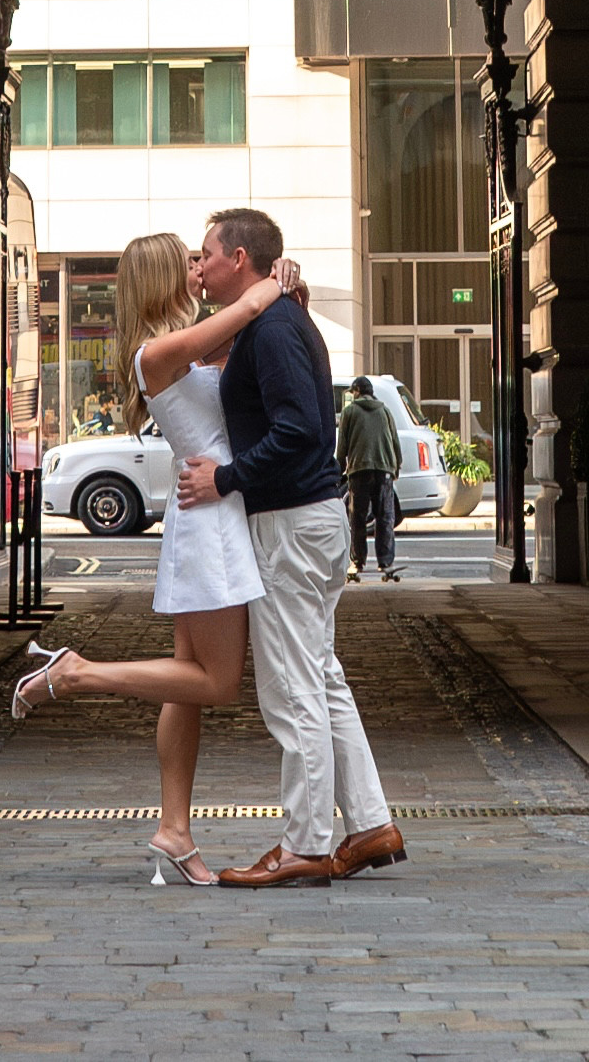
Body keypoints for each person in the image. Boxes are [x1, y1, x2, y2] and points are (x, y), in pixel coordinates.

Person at [0, 228, 279, 886]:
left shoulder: (181, 350)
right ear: (160, 277)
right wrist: (277, 277)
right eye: (186, 259)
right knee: (216, 682)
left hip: (205, 512)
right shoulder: (156, 351)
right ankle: (75, 674)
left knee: (187, 679)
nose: (196, 266)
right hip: (208, 523)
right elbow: (246, 310)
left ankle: (175, 829)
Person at [185, 205, 403, 889]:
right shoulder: (273, 317)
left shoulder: (274, 326)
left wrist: (224, 477)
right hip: (306, 518)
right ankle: (368, 823)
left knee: (292, 687)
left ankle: (305, 842)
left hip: (289, 522)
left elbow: (300, 431)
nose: (201, 265)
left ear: (241, 258)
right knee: (321, 675)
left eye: (207, 254)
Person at [336, 378, 404, 583]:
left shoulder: (349, 412)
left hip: (359, 471)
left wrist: (339, 471)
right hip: (384, 470)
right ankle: (385, 561)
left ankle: (358, 561)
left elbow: (343, 446)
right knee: (385, 517)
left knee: (357, 518)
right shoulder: (385, 411)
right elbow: (395, 441)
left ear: (357, 391)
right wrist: (396, 467)